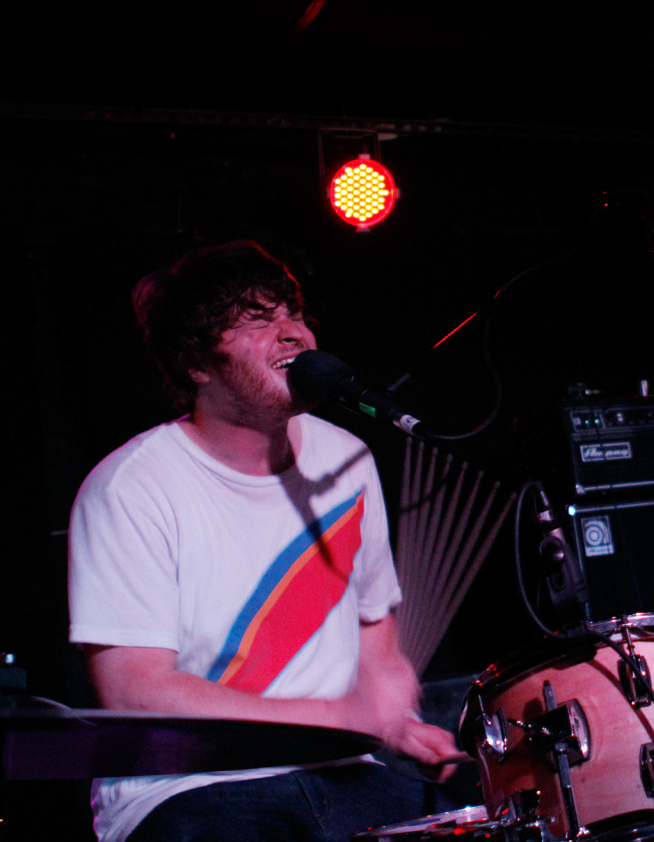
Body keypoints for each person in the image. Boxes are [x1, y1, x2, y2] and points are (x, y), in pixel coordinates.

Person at [67, 240, 467, 842]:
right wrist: (333, 717)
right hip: (193, 788)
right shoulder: (131, 487)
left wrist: (395, 716)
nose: (293, 335)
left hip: (343, 772)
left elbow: (376, 641)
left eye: (292, 314)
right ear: (196, 364)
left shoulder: (346, 460)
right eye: (257, 320)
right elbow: (137, 690)